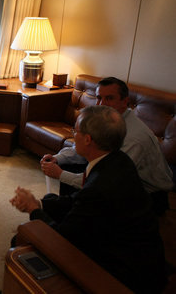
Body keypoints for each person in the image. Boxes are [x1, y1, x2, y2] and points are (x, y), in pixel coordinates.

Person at [10, 105, 167, 293]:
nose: (73, 133)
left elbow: (62, 240)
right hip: (139, 253)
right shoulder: (118, 160)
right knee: (51, 200)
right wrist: (42, 203)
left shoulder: (100, 188)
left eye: (75, 129)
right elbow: (79, 198)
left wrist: (33, 209)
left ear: (87, 139)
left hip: (124, 274)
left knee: (20, 240)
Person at [41, 77, 173, 215]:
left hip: (148, 193)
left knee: (72, 179)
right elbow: (84, 149)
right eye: (98, 98)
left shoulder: (133, 138)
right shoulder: (106, 120)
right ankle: (72, 215)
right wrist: (57, 159)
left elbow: (108, 179)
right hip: (119, 178)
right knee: (68, 167)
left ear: (125, 101)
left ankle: (75, 221)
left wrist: (60, 174)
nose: (101, 104)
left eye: (109, 98)